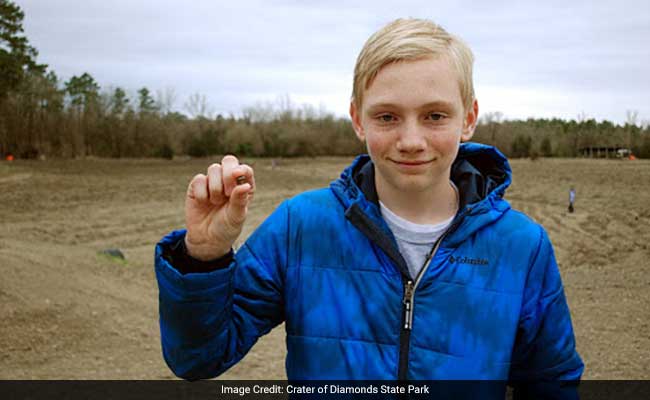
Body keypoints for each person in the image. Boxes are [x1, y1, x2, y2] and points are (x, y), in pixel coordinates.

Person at [154, 18, 583, 396]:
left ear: (468, 118)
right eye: (387, 117)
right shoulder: (301, 227)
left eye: (435, 116)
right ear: (358, 119)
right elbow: (197, 358)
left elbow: (550, 383)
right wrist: (204, 257)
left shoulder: (521, 247)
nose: (411, 141)